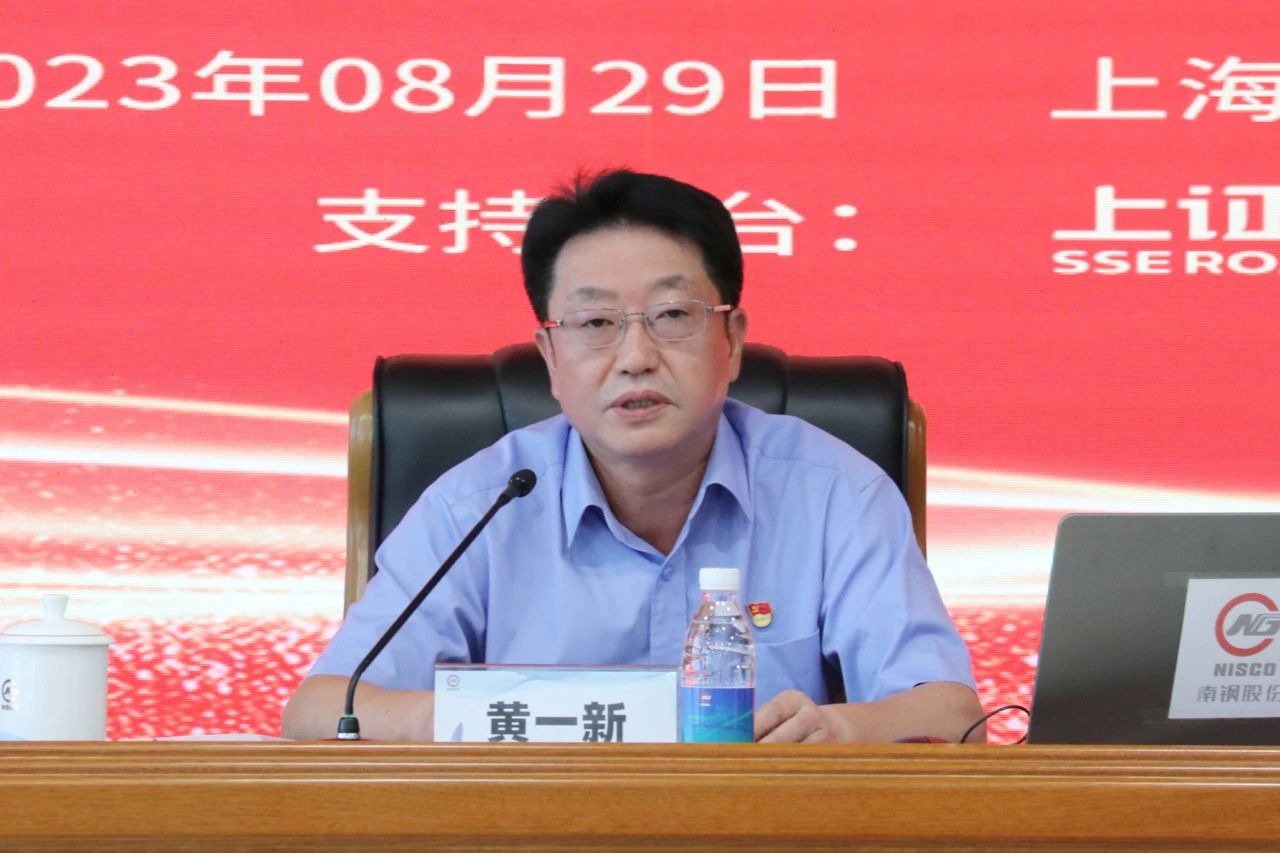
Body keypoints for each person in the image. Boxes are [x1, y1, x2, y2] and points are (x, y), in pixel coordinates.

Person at [283, 169, 983, 743]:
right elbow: (319, 711)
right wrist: (473, 719)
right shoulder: (479, 505)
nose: (636, 357)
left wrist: (840, 730)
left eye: (672, 316)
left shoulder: (835, 494)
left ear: (733, 340)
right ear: (551, 357)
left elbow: (952, 715)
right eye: (596, 323)